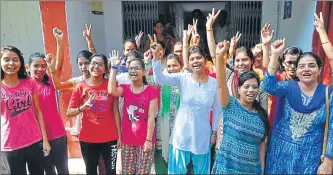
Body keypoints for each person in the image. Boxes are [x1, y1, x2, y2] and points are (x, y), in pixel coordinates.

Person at [152, 26, 221, 173]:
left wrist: (214, 132)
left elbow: (217, 109)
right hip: (181, 134)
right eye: (191, 59)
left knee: (202, 171)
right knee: (177, 171)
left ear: (205, 59)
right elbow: (159, 78)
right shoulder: (183, 78)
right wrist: (156, 59)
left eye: (198, 58)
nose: (195, 61)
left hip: (202, 135)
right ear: (188, 62)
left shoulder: (214, 83)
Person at [263, 38, 333, 174]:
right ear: (297, 70)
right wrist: (275, 54)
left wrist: (328, 161)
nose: (306, 69)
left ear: (319, 69)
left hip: (309, 159)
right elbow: (268, 86)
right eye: (301, 66)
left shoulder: (329, 94)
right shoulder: (288, 87)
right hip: (279, 154)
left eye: (311, 65)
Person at [212, 40, 269, 174]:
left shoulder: (261, 115)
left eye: (255, 87)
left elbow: (261, 144)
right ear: (239, 88)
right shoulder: (230, 105)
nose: (251, 90)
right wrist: (220, 56)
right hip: (226, 168)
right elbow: (221, 85)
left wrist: (261, 170)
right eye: (246, 87)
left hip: (251, 170)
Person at [66, 53, 121, 175]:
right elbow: (69, 112)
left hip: (110, 137)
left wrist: (119, 136)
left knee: (111, 171)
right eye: (93, 63)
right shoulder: (80, 87)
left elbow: (116, 110)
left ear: (105, 68)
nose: (96, 66)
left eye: (100, 64)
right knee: (91, 171)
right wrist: (82, 108)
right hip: (88, 138)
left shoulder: (111, 84)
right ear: (89, 65)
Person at [1, 45, 51, 174]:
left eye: (15, 59)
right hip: (10, 145)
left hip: (34, 141)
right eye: (6, 59)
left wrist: (44, 140)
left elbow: (38, 112)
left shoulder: (29, 82)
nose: (11, 63)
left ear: (20, 62)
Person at [108, 51, 158, 174]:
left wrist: (148, 140)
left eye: (137, 68)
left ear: (144, 71)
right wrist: (114, 67)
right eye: (130, 68)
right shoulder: (125, 88)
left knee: (143, 172)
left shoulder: (151, 91)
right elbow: (111, 91)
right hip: (127, 139)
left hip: (145, 140)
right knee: (127, 172)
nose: (133, 71)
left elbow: (151, 117)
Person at [159, 54, 182, 162]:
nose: (171, 69)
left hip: (182, 123)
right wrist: (149, 61)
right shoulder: (163, 79)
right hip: (166, 122)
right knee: (168, 154)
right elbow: (150, 79)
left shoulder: (185, 79)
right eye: (169, 66)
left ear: (181, 65)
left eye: (175, 65)